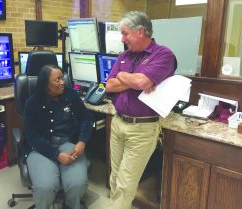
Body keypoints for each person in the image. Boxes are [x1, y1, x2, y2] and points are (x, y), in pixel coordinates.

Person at [106, 11, 177, 209]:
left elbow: (140, 81)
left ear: (140, 32)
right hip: (118, 122)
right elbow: (109, 86)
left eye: (125, 33)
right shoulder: (123, 55)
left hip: (142, 130)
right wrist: (136, 80)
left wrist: (126, 77)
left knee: (125, 183)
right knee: (114, 176)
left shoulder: (164, 54)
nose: (122, 38)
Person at [22, 65, 93, 209]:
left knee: (78, 184)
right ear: (45, 84)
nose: (62, 82)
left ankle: (70, 205)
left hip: (69, 144)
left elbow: (87, 119)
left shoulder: (71, 95)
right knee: (45, 187)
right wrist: (56, 154)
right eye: (57, 80)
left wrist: (82, 142)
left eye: (62, 78)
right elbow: (32, 136)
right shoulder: (33, 102)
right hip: (41, 148)